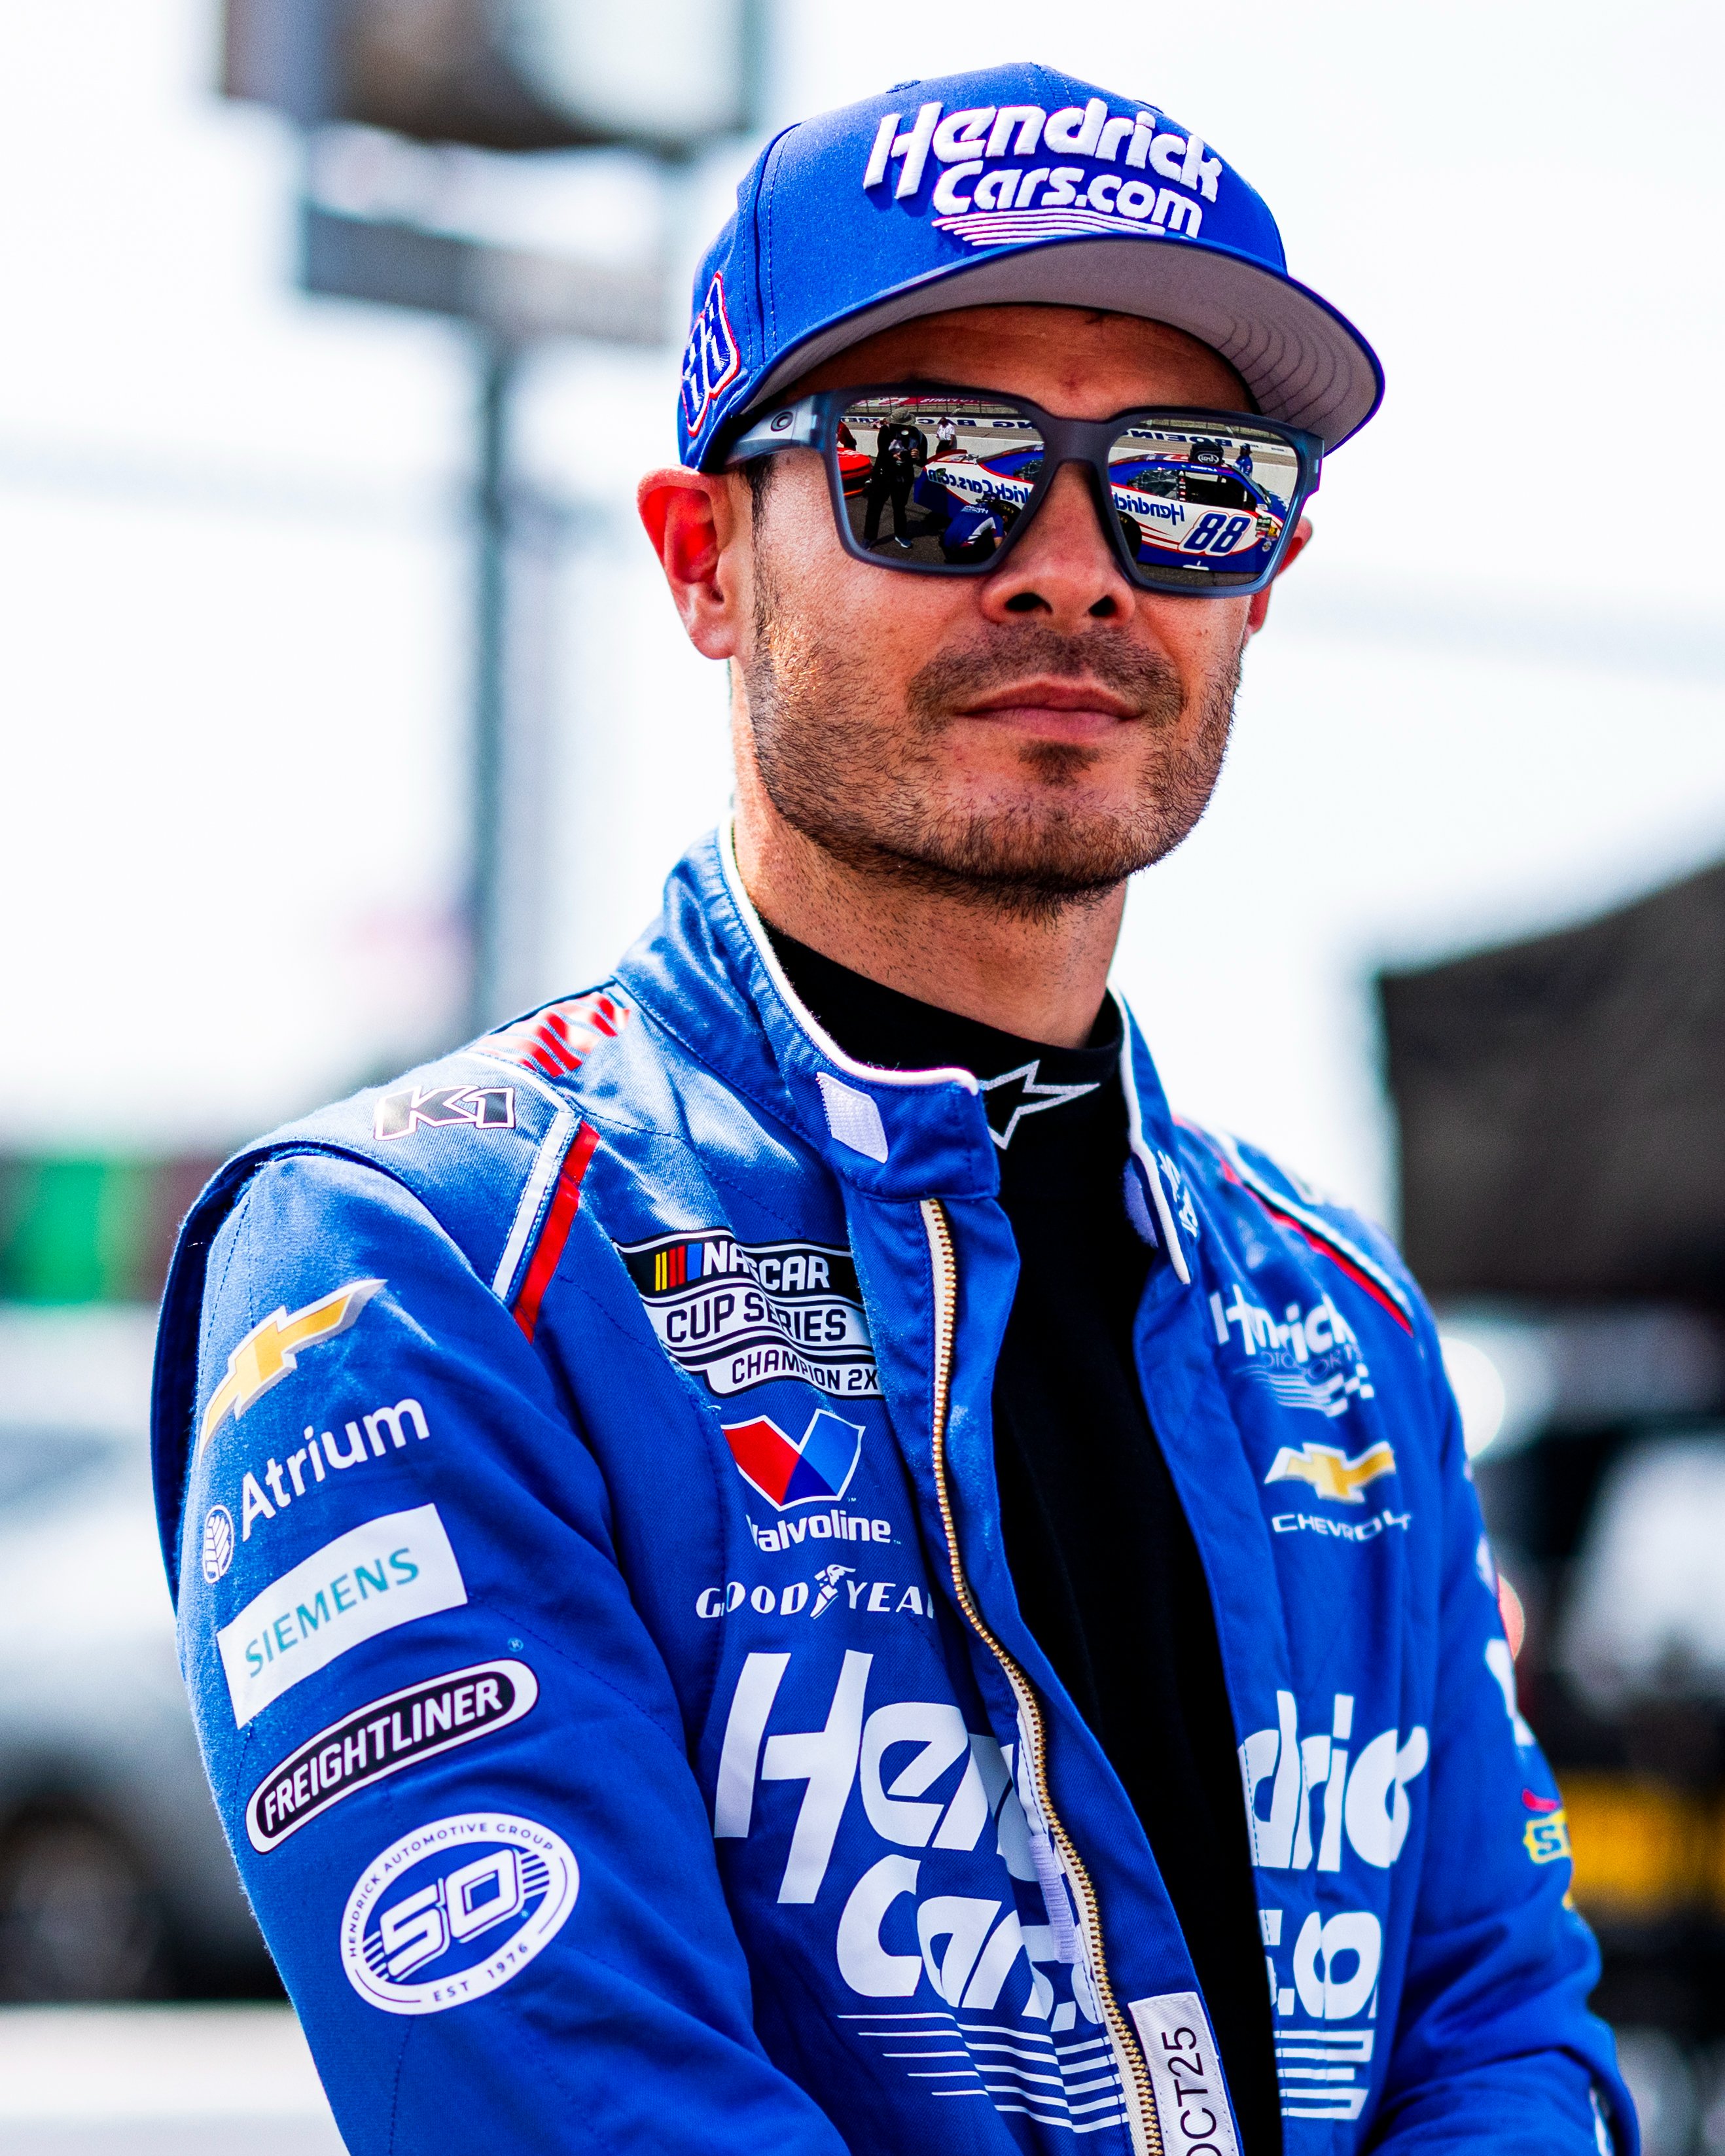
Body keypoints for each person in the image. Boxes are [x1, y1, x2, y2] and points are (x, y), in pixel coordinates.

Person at [152, 61, 1633, 2156]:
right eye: (931, 472)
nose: (1070, 569)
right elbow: (579, 2110)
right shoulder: (416, 1261)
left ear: (1261, 581)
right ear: (700, 561)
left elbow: (1503, 2031)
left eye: (1185, 485)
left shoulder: (1335, 1321)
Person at [862, 405, 925, 547]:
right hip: (883, 475)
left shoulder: (919, 436)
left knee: (900, 508)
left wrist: (918, 456)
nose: (894, 426)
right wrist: (894, 456)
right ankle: (869, 537)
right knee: (874, 508)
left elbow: (922, 462)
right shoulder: (886, 431)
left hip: (903, 479)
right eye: (894, 424)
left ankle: (901, 535)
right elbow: (882, 453)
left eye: (898, 425)